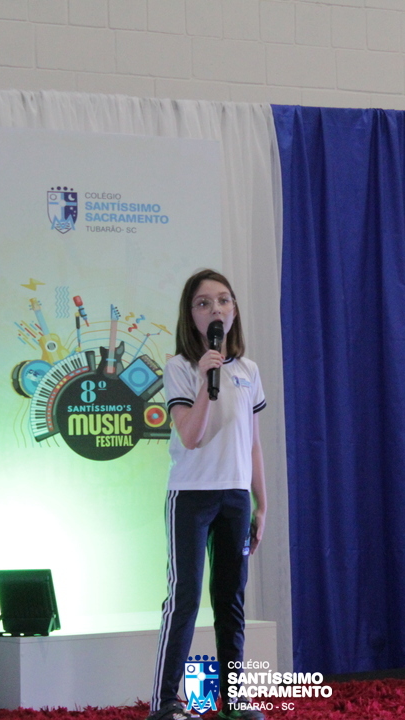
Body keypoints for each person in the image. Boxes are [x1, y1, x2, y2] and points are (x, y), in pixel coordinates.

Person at [147, 269, 268, 720]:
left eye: (223, 300)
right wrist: (205, 380)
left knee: (231, 600)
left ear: (233, 310)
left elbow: (252, 444)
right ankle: (166, 702)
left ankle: (233, 700)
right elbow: (191, 435)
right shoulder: (180, 367)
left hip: (235, 497)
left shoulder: (249, 371)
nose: (215, 309)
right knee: (185, 598)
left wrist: (262, 503)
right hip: (191, 497)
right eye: (203, 303)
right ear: (191, 315)